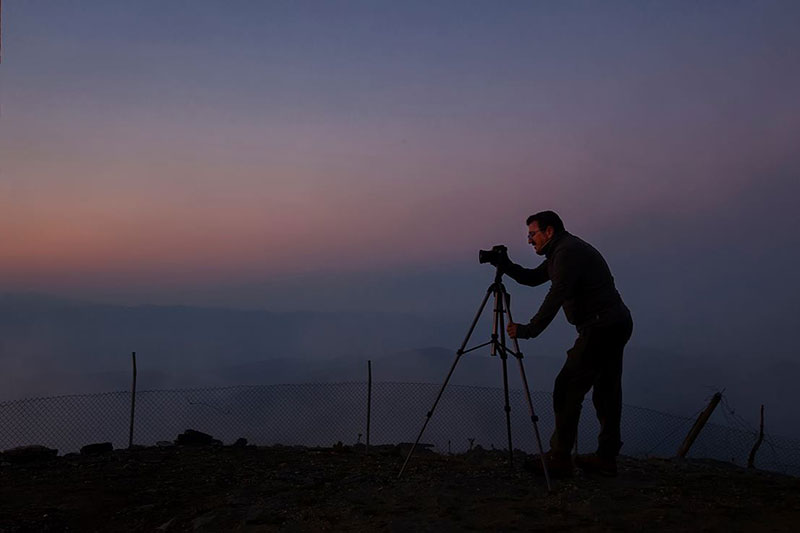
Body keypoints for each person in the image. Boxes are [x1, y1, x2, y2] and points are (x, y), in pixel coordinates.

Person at [501, 210, 633, 477]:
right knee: (606, 391)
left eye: (532, 234)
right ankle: (606, 458)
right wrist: (505, 265)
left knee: (567, 387)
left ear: (549, 231)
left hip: (600, 326)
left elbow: (556, 294)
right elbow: (533, 278)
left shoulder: (566, 253)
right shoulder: (563, 250)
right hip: (613, 322)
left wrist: (529, 330)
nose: (529, 240)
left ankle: (560, 457)